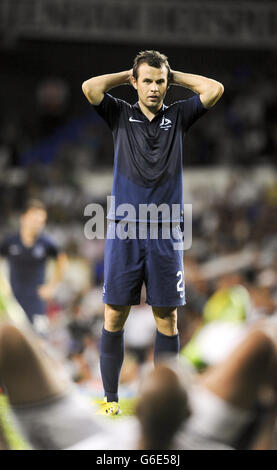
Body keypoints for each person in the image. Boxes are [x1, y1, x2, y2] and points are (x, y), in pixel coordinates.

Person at [82, 50, 224, 414]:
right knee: (114, 315)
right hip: (124, 229)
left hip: (166, 232)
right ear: (135, 83)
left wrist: (174, 76)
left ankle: (165, 403)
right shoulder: (119, 113)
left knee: (167, 318)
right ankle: (111, 400)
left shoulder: (177, 115)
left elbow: (214, 89)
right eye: (147, 81)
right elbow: (90, 87)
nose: (155, 88)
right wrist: (128, 74)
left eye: (160, 82)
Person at [1, 319, 277, 450]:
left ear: (136, 409)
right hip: (194, 436)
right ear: (190, 410)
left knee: (7, 337)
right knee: (262, 341)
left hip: (91, 437)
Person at [0, 199, 67, 333]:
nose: (37, 224)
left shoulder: (46, 243)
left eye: (41, 221)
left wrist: (51, 286)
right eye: (34, 218)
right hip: (13, 299)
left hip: (36, 301)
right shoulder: (10, 241)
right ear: (23, 218)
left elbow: (62, 260)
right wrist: (2, 284)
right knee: (12, 338)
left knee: (40, 338)